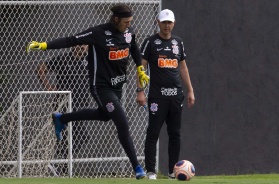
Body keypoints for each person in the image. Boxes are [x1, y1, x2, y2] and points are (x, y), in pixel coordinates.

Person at [27, 4, 149, 179]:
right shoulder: (98, 33)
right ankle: (137, 167)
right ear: (115, 20)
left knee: (105, 115)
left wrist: (140, 68)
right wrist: (43, 45)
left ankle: (62, 118)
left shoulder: (129, 32)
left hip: (118, 86)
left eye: (130, 21)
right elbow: (70, 40)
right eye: (125, 22)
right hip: (101, 87)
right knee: (122, 122)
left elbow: (134, 48)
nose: (128, 24)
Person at [136, 9, 195, 179]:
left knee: (175, 133)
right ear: (158, 22)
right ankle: (151, 171)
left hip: (176, 96)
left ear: (174, 23)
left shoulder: (178, 42)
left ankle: (172, 171)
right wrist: (140, 91)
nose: (167, 25)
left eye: (169, 22)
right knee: (153, 132)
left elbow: (183, 67)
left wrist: (190, 90)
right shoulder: (151, 42)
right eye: (164, 22)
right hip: (157, 96)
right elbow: (141, 66)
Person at [36, 45, 89, 175]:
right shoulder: (64, 59)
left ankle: (62, 168)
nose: (82, 47)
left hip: (81, 103)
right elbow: (40, 68)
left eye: (85, 44)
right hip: (64, 102)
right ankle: (58, 163)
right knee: (76, 135)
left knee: (74, 136)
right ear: (73, 46)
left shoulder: (89, 60)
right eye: (79, 44)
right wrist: (48, 86)